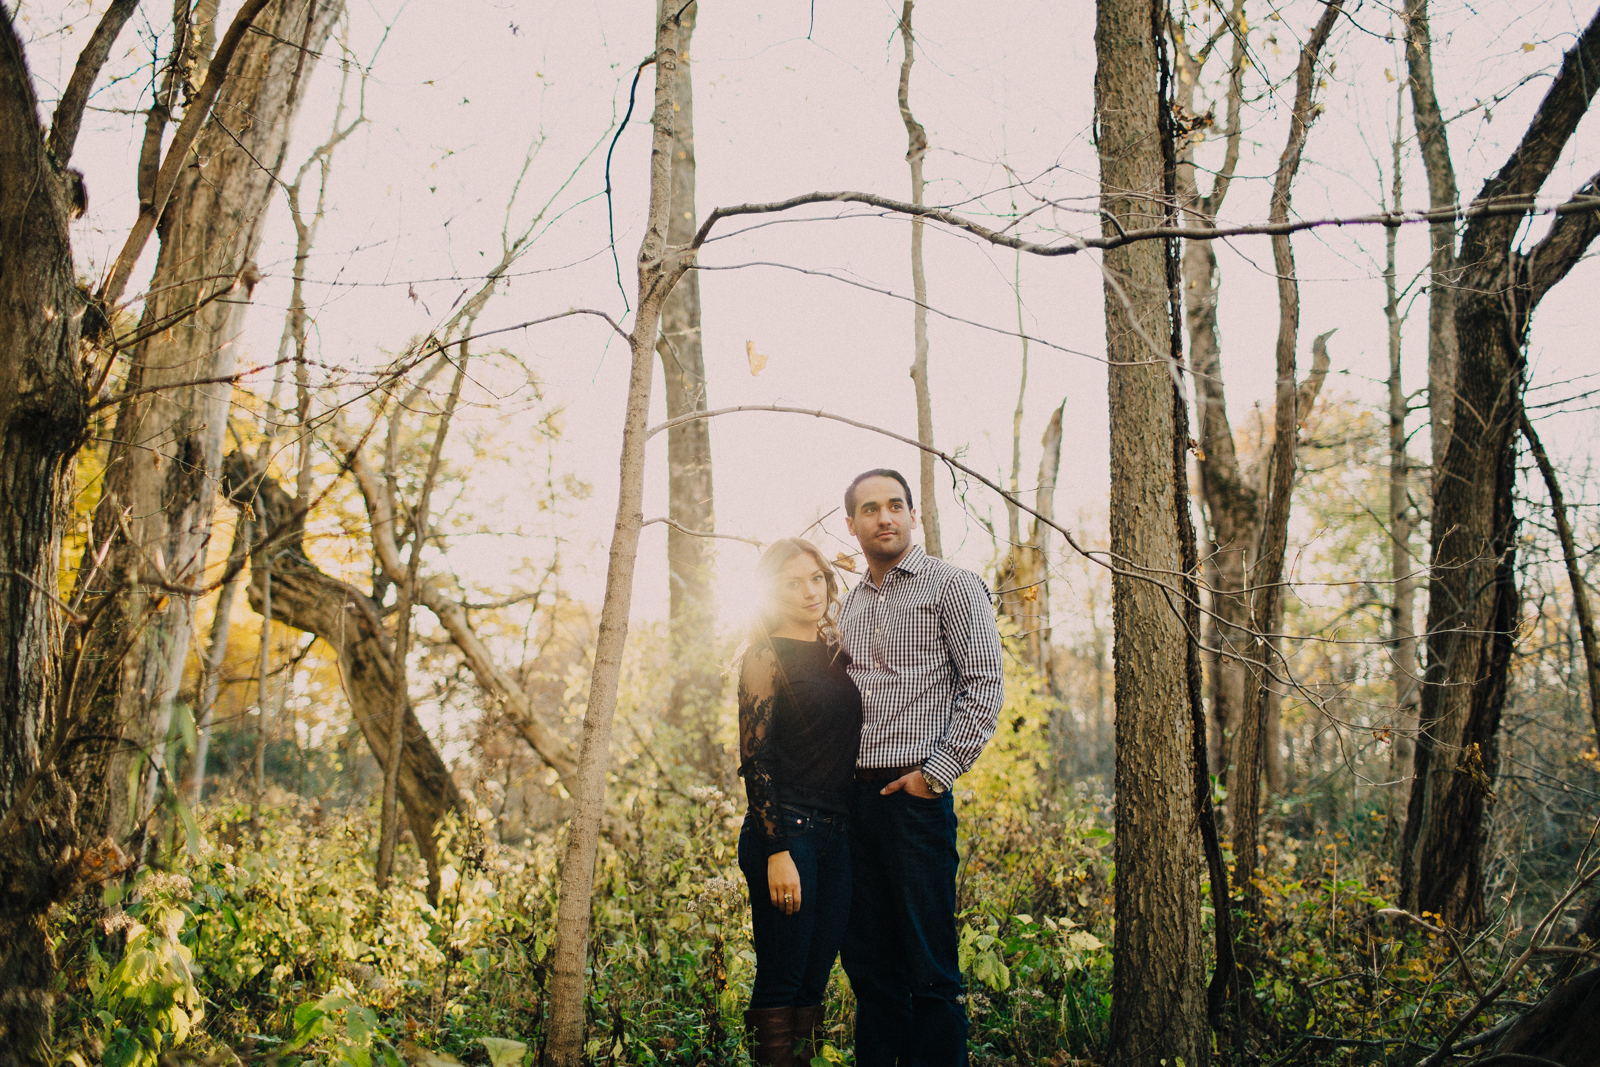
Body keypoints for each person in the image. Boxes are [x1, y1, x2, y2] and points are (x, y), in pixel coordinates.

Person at [836, 469, 1004, 1066]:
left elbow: (984, 686)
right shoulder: (847, 605)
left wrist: (933, 775)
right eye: (871, 509)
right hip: (850, 807)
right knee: (871, 970)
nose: (885, 517)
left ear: (912, 515)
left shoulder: (952, 586)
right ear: (851, 524)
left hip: (914, 801)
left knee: (930, 968)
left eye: (896, 506)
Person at [736, 537, 865, 1066]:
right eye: (793, 582)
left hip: (838, 837)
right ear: (771, 590)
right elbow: (757, 758)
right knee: (782, 976)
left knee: (814, 979)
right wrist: (777, 850)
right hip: (788, 833)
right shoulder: (765, 655)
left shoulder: (838, 652)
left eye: (816, 578)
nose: (810, 590)